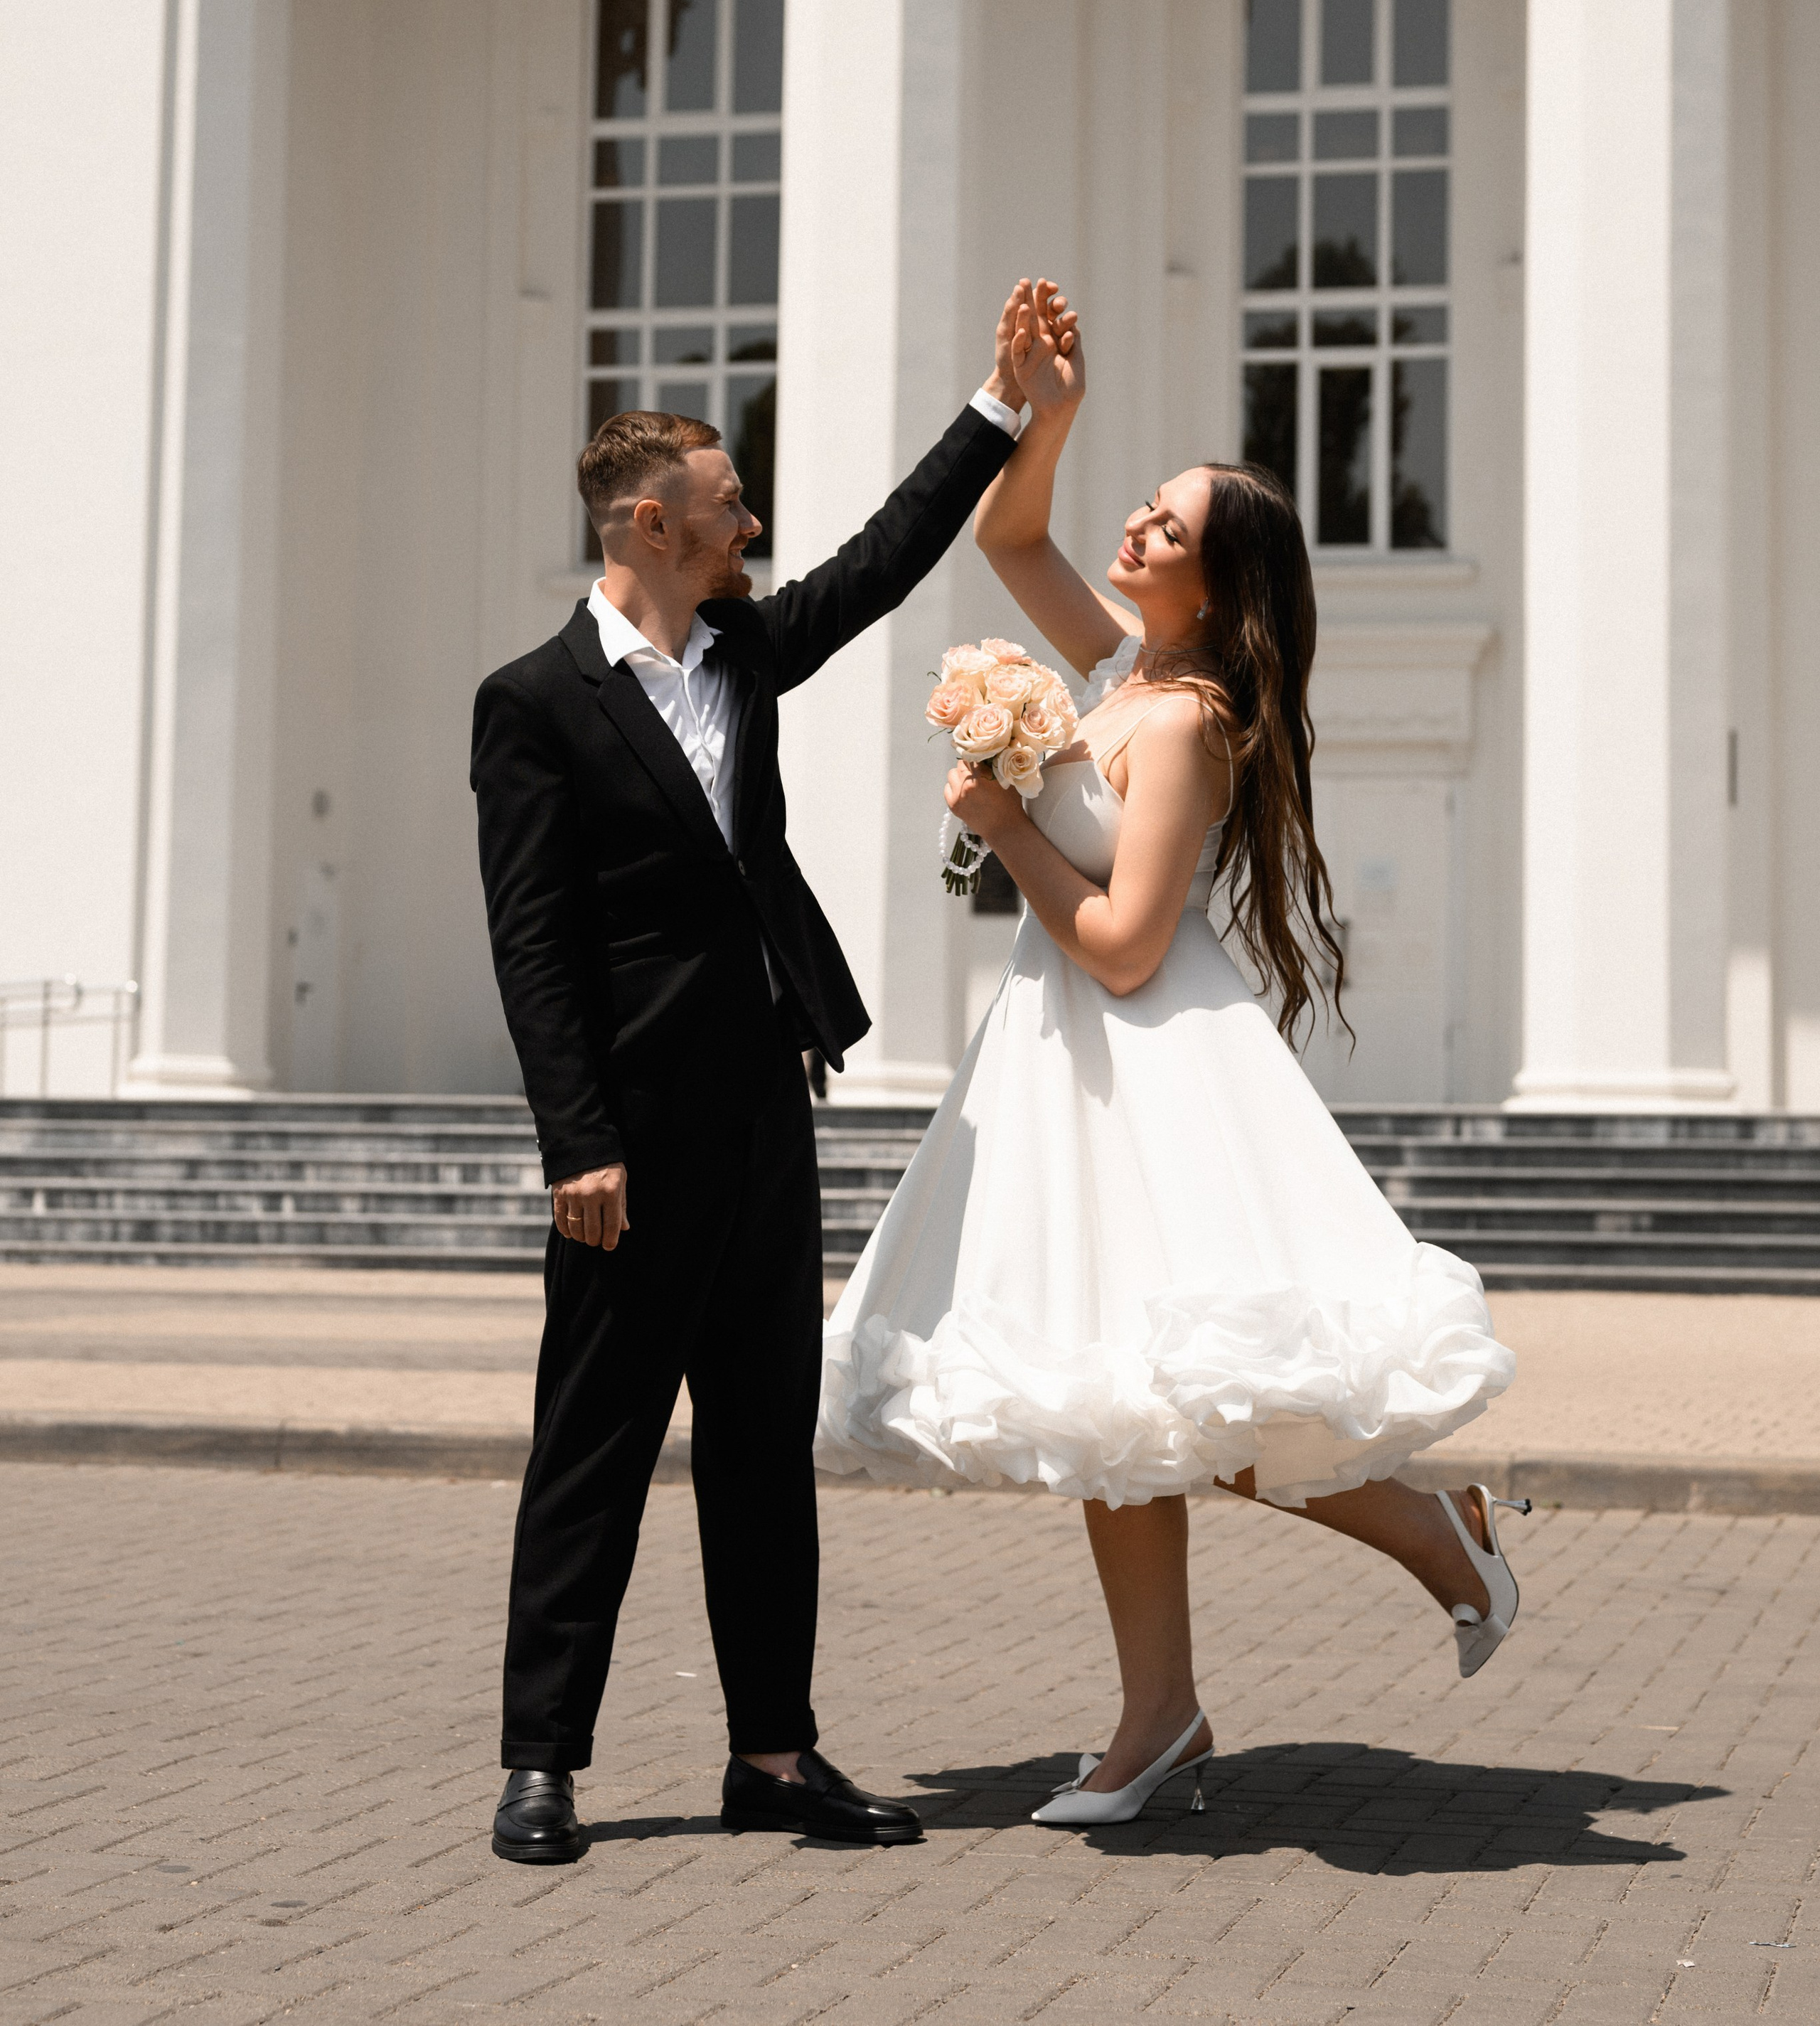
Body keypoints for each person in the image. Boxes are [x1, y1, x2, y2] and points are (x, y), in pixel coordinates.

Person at [818, 282, 1524, 1827]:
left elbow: (1129, 940)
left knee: (1219, 1399)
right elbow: (1008, 541)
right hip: (1068, 1065)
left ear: (1210, 585)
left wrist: (1002, 823)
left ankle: (1438, 1542)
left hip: (1147, 1060)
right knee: (1110, 1404)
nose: (1130, 533)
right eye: (1134, 510)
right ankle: (1160, 1720)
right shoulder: (1112, 672)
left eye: (1162, 527)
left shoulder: (1186, 717)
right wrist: (1041, 413)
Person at [472, 286, 1045, 1863]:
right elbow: (532, 945)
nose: (756, 526)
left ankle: (772, 1758)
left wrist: (994, 409)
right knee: (591, 1448)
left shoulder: (737, 651)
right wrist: (575, 1139)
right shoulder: (533, 707)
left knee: (754, 1449)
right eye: (729, 508)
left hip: (759, 1115)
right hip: (627, 1146)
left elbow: (876, 562)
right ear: (649, 523)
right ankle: (542, 1761)